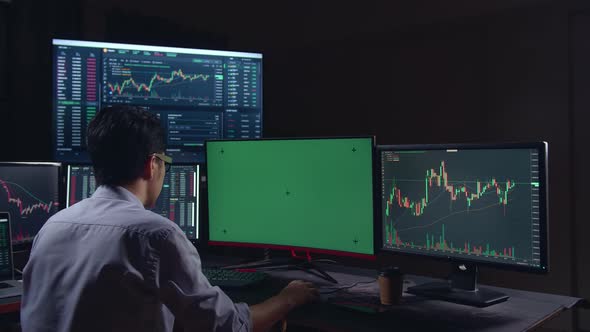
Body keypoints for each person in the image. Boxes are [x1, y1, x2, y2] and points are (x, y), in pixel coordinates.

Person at [21, 105, 318, 332]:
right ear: (153, 164)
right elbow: (225, 326)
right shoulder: (155, 235)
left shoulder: (52, 226)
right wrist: (288, 299)